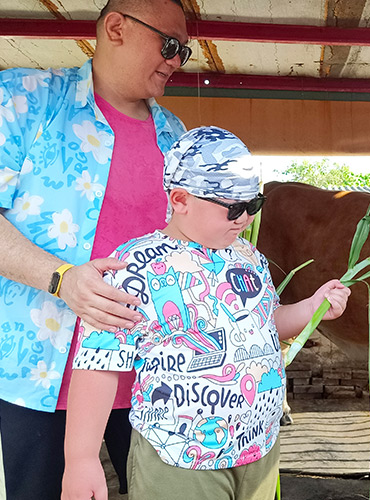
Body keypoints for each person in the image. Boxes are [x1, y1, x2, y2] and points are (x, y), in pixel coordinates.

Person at [61, 126, 351, 500]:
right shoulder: (135, 267)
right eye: (233, 207)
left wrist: (312, 307)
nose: (245, 218)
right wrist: (81, 458)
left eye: (254, 205)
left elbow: (265, 325)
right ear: (180, 199)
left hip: (257, 449)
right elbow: (100, 363)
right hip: (179, 457)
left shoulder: (249, 257)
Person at [0, 0, 189, 498]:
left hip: (157, 379)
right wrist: (63, 279)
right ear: (116, 27)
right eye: (169, 45)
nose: (175, 60)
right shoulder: (22, 99)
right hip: (40, 375)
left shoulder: (176, 135)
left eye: (183, 52)